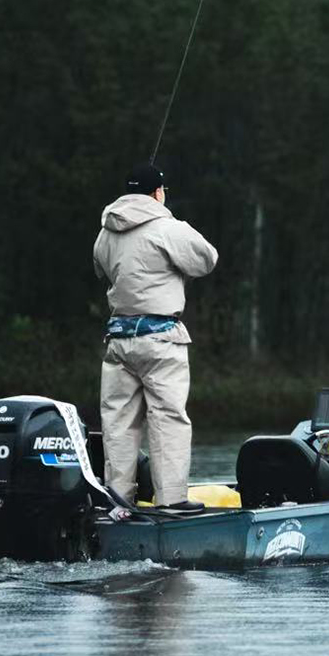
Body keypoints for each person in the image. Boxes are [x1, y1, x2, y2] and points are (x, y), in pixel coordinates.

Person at [92, 160, 218, 510]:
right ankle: (171, 501)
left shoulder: (105, 232)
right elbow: (207, 259)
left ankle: (117, 501)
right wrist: (173, 222)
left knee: (118, 424)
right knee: (168, 419)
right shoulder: (167, 228)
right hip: (161, 341)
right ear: (158, 192)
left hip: (118, 342)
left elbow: (100, 269)